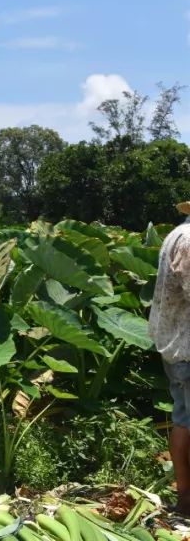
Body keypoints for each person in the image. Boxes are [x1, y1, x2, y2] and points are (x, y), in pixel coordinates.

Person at [150, 200, 190, 515]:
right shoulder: (189, 241)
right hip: (187, 348)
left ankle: (186, 498)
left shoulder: (177, 234)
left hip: (176, 344)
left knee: (183, 421)